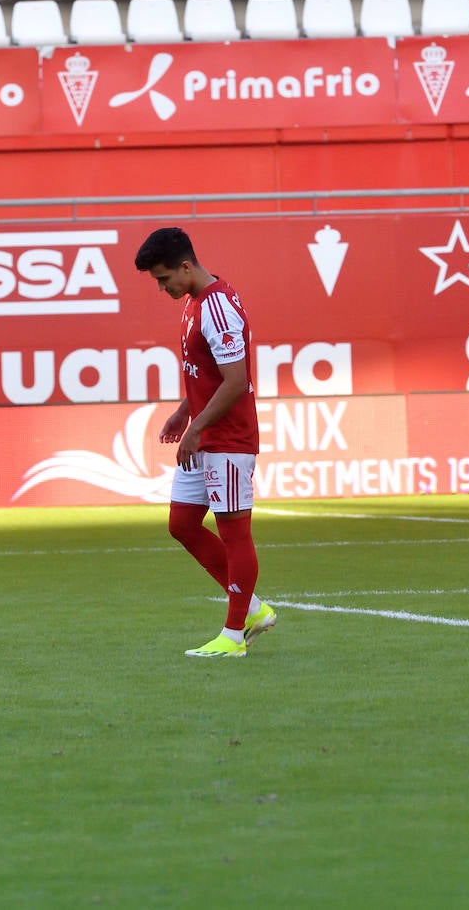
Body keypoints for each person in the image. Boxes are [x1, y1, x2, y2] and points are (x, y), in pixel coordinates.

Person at [134, 227, 276, 658]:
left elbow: (236, 381)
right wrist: (185, 410)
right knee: (181, 524)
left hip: (227, 438)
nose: (162, 288)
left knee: (235, 531)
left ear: (185, 266)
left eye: (164, 279)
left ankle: (234, 636)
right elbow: (209, 372)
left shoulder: (217, 307)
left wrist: (196, 428)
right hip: (206, 433)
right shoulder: (195, 303)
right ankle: (251, 609)